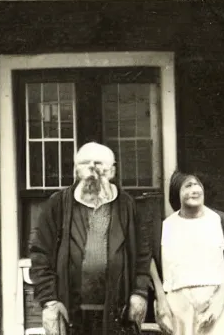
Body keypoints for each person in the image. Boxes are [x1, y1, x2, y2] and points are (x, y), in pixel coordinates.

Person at [29, 142, 151, 335]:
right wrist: (49, 301)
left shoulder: (127, 206)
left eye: (99, 163)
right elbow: (40, 256)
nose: (92, 169)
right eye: (85, 163)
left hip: (117, 312)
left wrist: (140, 293)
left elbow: (143, 256)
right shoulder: (58, 205)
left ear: (112, 171)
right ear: (75, 170)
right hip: (70, 312)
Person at [150, 171, 224, 335]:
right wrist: (161, 299)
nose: (194, 190)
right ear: (177, 193)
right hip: (178, 306)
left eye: (198, 185)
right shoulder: (165, 226)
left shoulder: (221, 220)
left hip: (216, 304)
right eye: (188, 186)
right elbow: (150, 262)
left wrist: (222, 293)